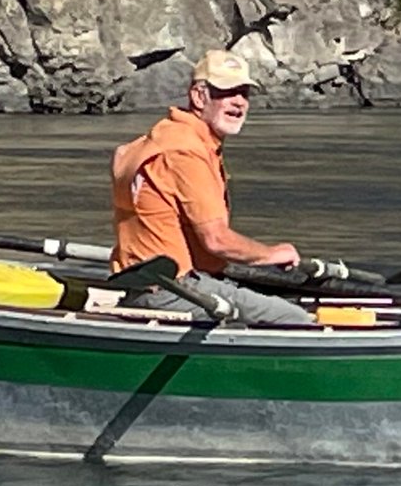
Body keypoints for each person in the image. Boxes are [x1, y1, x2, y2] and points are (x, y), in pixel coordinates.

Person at [110, 49, 309, 325]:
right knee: (294, 317)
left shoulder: (162, 136)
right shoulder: (186, 150)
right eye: (227, 92)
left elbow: (121, 157)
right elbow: (217, 240)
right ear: (199, 96)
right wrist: (272, 254)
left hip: (158, 282)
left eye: (244, 93)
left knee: (276, 296)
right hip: (171, 291)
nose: (239, 102)